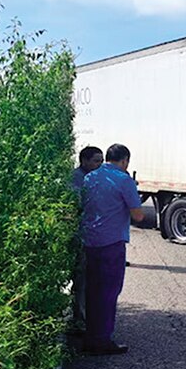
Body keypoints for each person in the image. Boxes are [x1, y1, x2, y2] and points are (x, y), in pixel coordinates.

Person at [80, 143, 144, 355]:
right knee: (108, 292)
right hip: (111, 243)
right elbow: (138, 215)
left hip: (89, 240)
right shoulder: (124, 180)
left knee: (92, 290)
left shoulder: (90, 177)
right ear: (125, 160)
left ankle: (90, 336)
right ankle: (103, 340)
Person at [69, 146, 104, 331]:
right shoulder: (77, 178)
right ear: (84, 161)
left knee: (90, 278)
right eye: (96, 161)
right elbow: (78, 203)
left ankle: (86, 318)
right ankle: (80, 320)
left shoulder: (93, 177)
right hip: (81, 235)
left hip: (92, 235)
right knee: (81, 278)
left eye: (101, 161)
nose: (99, 165)